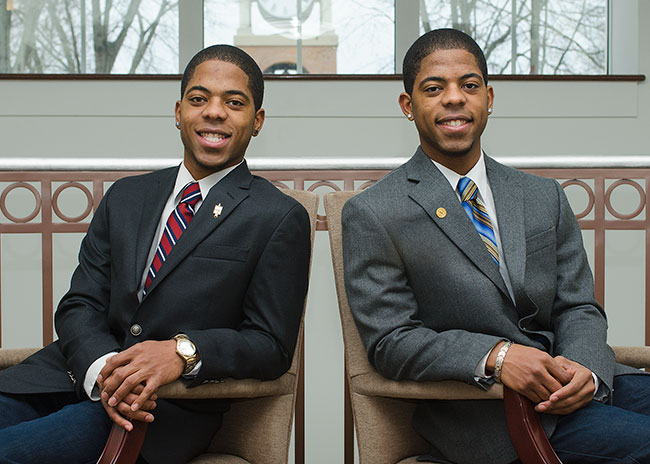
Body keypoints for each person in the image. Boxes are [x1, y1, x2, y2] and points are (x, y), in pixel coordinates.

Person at [342, 28, 650, 464]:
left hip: (588, 384)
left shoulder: (543, 196)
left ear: (489, 98)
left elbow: (578, 307)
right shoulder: (375, 212)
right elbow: (392, 341)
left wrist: (586, 369)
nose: (454, 98)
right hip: (490, 413)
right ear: (408, 106)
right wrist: (499, 356)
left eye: (468, 86)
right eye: (434, 88)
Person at [0, 44, 311, 464]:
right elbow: (80, 304)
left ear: (256, 122)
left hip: (158, 410)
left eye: (233, 103)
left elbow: (271, 345)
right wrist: (105, 371)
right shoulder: (126, 196)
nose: (214, 112)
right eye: (199, 99)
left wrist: (182, 352)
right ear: (179, 111)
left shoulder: (277, 216)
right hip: (66, 378)